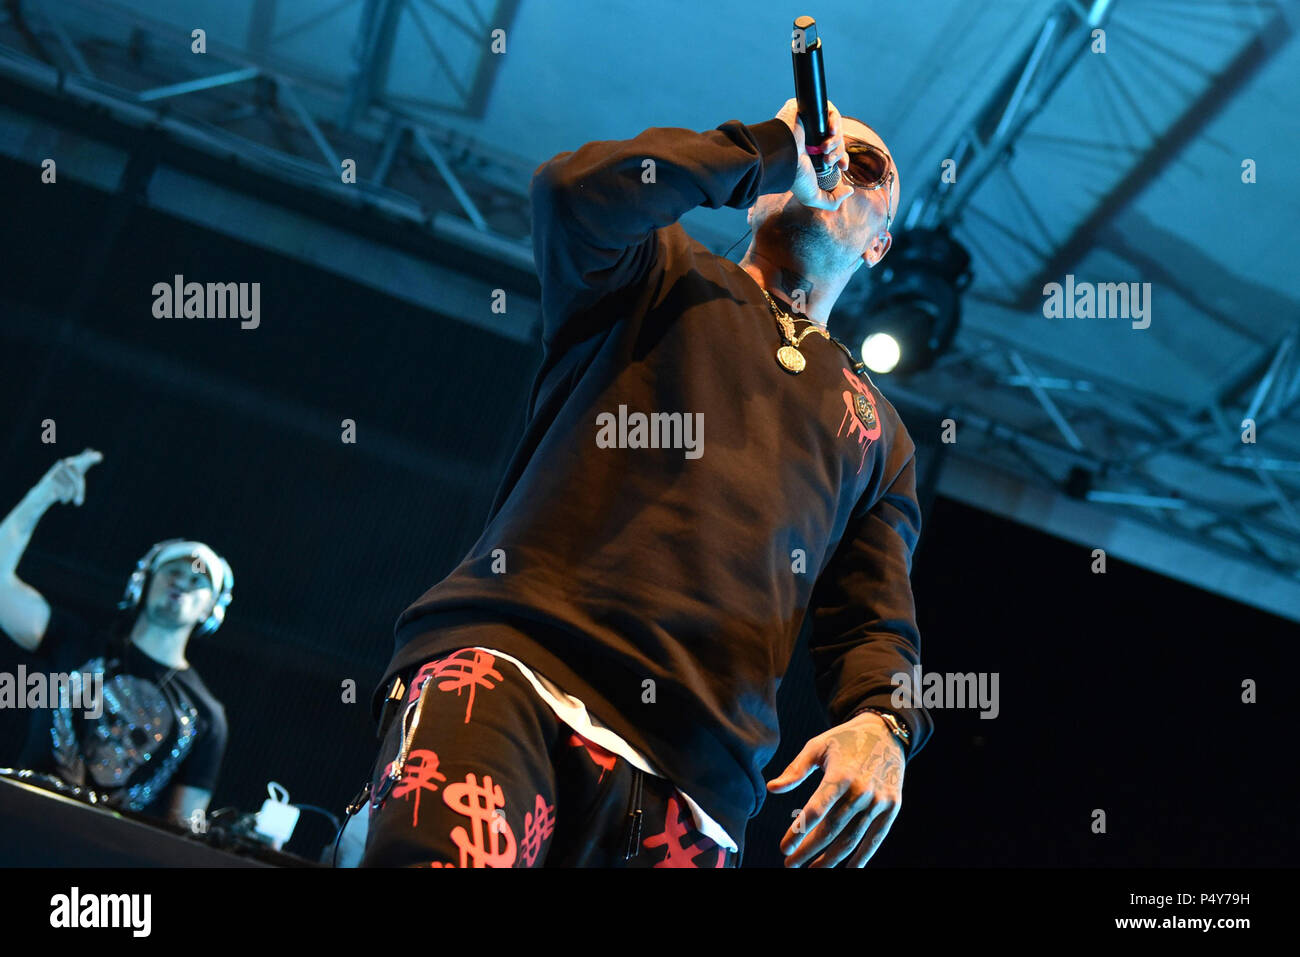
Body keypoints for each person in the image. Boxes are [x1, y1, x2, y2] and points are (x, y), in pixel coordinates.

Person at [362, 98, 932, 868]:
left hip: (694, 787)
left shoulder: (881, 435)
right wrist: (770, 148)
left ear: (879, 246)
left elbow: (873, 623)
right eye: (815, 147)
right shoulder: (653, 270)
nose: (831, 166)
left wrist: (884, 722)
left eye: (861, 166)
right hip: (516, 672)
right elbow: (570, 191)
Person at [0, 450, 231, 826]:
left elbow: (186, 829)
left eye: (198, 582)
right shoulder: (74, 642)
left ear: (211, 610)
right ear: (142, 584)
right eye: (172, 571)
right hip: (18, 823)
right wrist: (40, 497)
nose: (182, 583)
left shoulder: (207, 717)